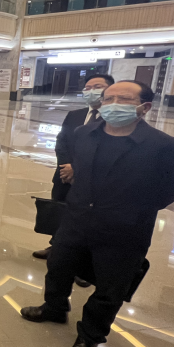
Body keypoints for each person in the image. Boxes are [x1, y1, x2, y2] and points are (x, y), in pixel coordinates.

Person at [20, 81, 174, 347]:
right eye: (108, 99)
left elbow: (173, 187)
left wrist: (134, 208)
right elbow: (80, 172)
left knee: (111, 287)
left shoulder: (164, 146)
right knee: (58, 267)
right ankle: (54, 307)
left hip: (124, 229)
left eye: (124, 99)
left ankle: (89, 336)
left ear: (144, 107)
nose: (113, 105)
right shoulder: (84, 134)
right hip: (76, 220)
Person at [32, 73, 114, 261]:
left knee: (87, 218)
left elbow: (105, 151)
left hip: (92, 180)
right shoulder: (75, 115)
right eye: (88, 88)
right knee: (61, 211)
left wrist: (76, 169)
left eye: (97, 87)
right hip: (64, 176)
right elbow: (61, 142)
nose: (91, 91)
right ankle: (56, 246)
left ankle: (81, 257)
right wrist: (66, 166)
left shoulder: (113, 120)